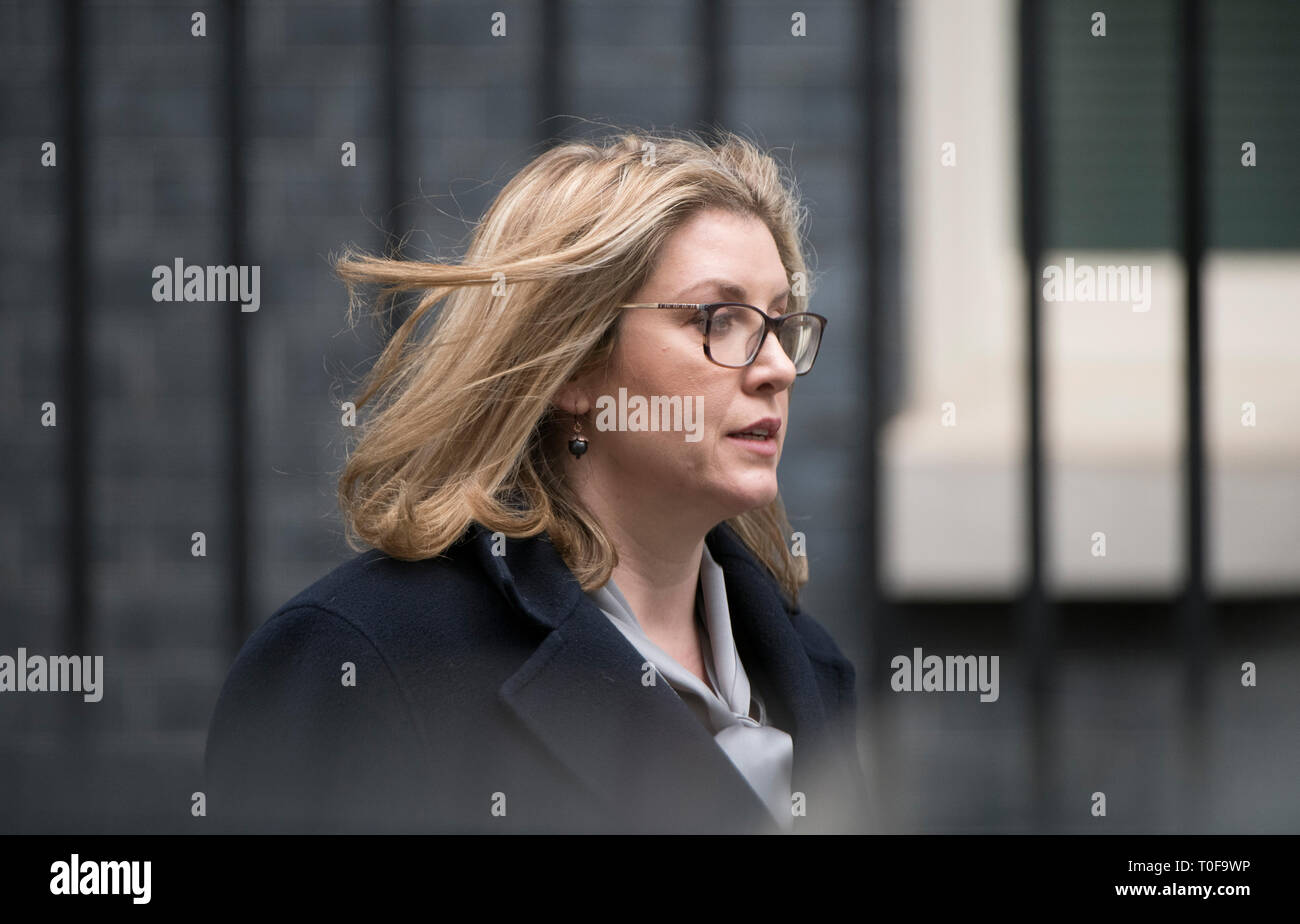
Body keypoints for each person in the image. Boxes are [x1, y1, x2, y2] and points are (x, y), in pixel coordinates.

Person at [203, 128, 869, 834]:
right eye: (720, 320)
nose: (776, 369)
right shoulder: (363, 662)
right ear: (575, 366)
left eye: (781, 322)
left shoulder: (811, 667)